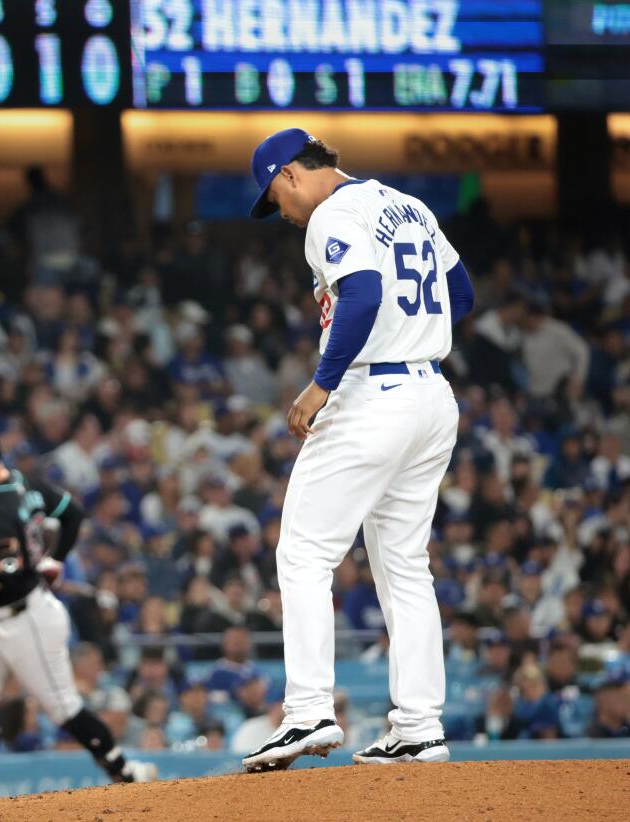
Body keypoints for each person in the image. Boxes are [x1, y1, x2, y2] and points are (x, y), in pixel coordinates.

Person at [241, 130, 473, 770]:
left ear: (289, 174)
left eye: (274, 196)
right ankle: (420, 726)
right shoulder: (409, 206)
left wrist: (322, 384)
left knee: (304, 551)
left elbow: (365, 293)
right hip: (430, 395)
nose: (281, 213)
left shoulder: (331, 216)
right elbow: (462, 295)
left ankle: (309, 712)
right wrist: (415, 335)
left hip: (373, 395)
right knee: (404, 565)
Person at [0, 425, 156, 803]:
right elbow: (73, 514)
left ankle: (126, 771)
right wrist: (55, 559)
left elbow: (12, 572)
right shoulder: (27, 484)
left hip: (28, 619)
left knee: (64, 709)